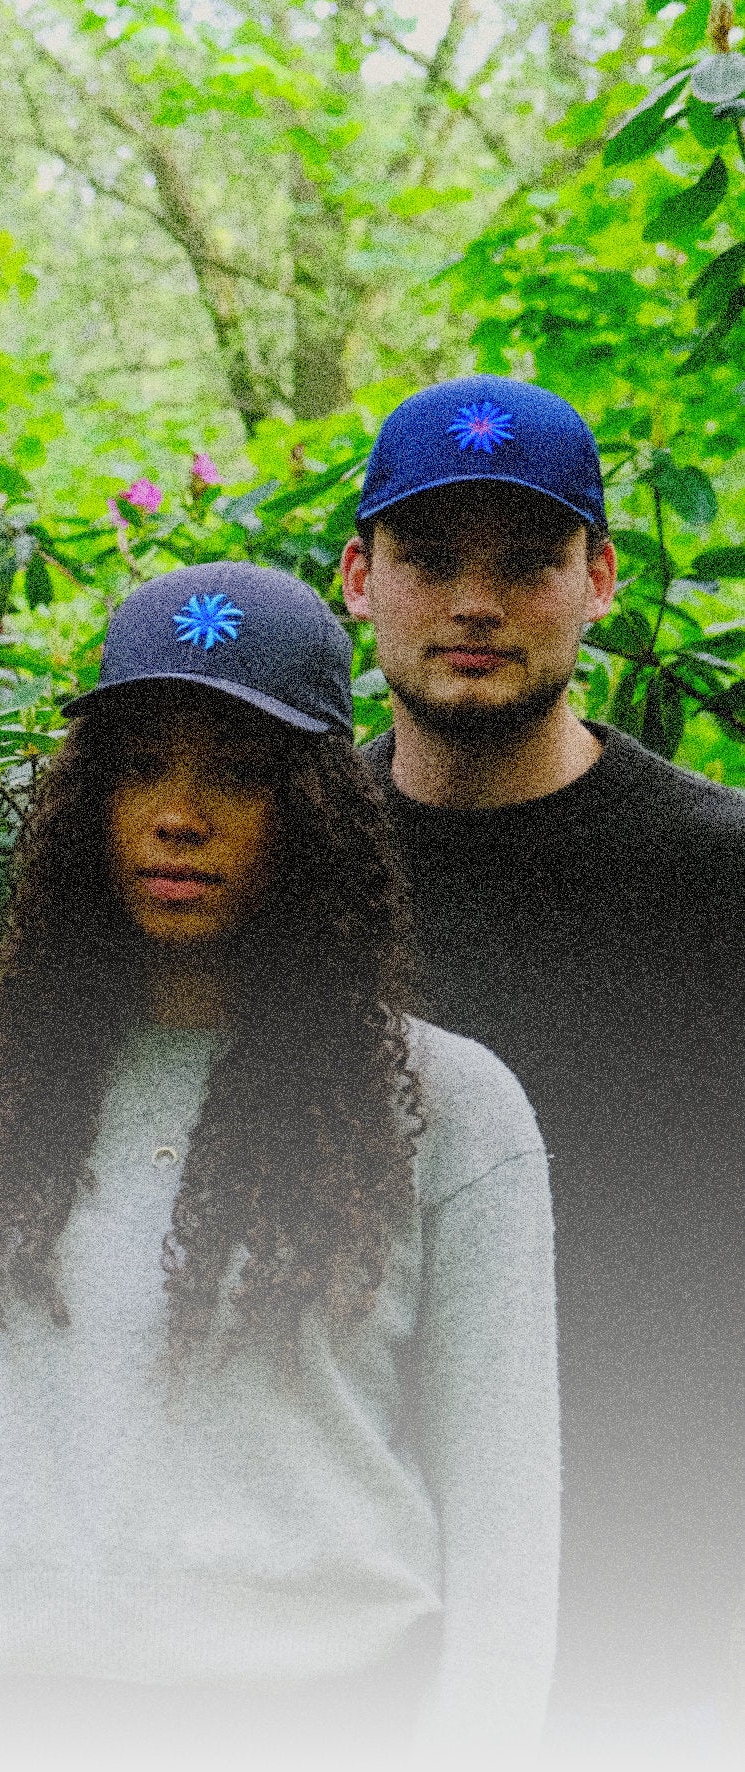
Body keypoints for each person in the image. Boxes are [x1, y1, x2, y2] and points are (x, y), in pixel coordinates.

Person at [0, 563, 559, 1756]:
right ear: (87, 798)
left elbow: (508, 1539)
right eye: (141, 762)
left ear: (318, 812)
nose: (179, 810)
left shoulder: (451, 1111)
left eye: (240, 773)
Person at [341, 373, 745, 1738]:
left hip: (664, 1582)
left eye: (524, 562)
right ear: (356, 575)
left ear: (599, 579)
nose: (474, 601)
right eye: (428, 559)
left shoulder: (716, 875)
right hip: (348, 1589)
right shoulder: (281, 868)